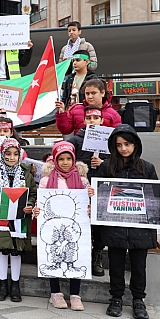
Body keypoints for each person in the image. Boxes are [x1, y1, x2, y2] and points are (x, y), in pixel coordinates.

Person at [91, 125, 160, 319]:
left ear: (135, 144)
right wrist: (93, 194)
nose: (123, 149)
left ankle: (138, 300)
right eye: (119, 145)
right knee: (116, 266)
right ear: (113, 146)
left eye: (127, 144)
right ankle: (116, 299)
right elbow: (98, 194)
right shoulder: (106, 167)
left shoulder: (147, 167)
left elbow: (155, 197)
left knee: (138, 267)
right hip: (115, 227)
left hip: (140, 229)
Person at [33, 141, 90, 311]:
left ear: (74, 160)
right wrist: (37, 210)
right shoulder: (46, 181)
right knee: (53, 254)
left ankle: (75, 294)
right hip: (54, 226)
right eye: (61, 159)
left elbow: (87, 204)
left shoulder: (83, 181)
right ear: (55, 161)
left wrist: (90, 202)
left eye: (68, 159)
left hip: (73, 226)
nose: (65, 162)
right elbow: (41, 201)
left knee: (74, 255)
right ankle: (55, 292)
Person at [0, 138, 37, 302]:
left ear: (20, 155)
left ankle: (15, 285)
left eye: (15, 154)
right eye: (8, 154)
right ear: (2, 154)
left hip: (20, 220)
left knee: (16, 251)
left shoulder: (26, 173)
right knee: (2, 250)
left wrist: (30, 205)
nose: (11, 157)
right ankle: (2, 284)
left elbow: (32, 194)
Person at [66, 107, 108, 276]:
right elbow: (67, 161)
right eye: (89, 118)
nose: (92, 121)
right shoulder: (76, 140)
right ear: (84, 121)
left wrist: (103, 163)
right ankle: (80, 255)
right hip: (80, 188)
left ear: (102, 121)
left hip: (101, 188)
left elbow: (116, 164)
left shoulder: (109, 139)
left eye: (96, 118)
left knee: (98, 226)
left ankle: (97, 255)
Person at [56, 79, 122, 136]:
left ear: (102, 93)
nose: (90, 96)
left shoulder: (113, 114)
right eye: (87, 94)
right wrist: (61, 113)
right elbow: (65, 130)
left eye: (93, 93)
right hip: (80, 149)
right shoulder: (75, 109)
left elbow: (117, 135)